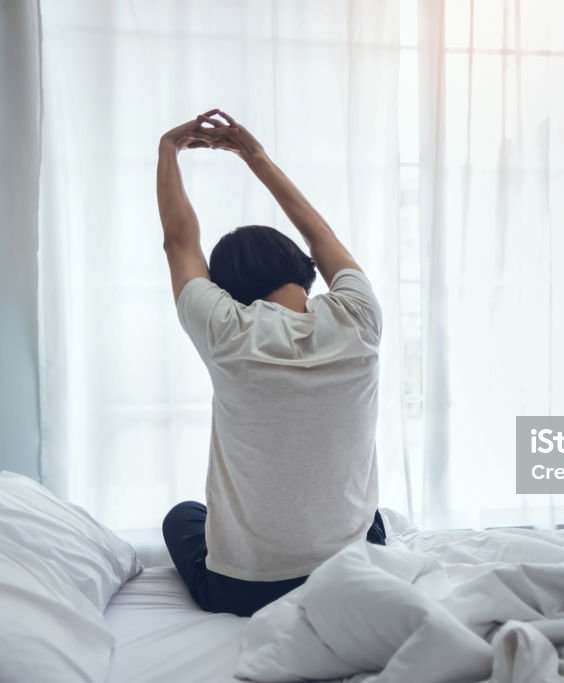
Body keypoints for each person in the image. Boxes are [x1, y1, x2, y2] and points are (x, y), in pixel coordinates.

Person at [156, 109, 384, 617]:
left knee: (183, 517)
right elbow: (319, 232)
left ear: (226, 288)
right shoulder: (360, 316)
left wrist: (168, 149)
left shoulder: (226, 331)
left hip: (250, 591)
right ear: (304, 267)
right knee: (371, 516)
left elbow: (178, 242)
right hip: (358, 571)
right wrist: (253, 156)